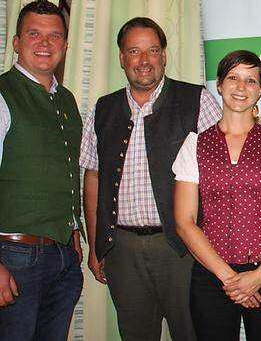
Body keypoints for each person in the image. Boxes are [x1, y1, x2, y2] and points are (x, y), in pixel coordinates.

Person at [80, 17, 220, 341]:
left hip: (182, 249)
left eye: (152, 50)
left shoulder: (196, 100)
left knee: (194, 332)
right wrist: (96, 244)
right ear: (122, 58)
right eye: (134, 51)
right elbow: (92, 177)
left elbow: (220, 174)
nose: (144, 60)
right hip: (122, 251)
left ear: (164, 55)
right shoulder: (102, 110)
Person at [172, 50, 261, 341]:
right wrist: (231, 280)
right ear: (219, 84)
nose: (241, 88)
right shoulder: (195, 145)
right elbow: (184, 221)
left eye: (251, 81)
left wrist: (259, 276)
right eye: (233, 78)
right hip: (211, 276)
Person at [0, 0, 83, 340]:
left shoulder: (66, 100)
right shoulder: (3, 93)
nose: (45, 43)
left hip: (63, 257)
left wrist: (73, 231)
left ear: (65, 43)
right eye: (35, 34)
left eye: (54, 35)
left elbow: (65, 171)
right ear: (17, 42)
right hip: (14, 257)